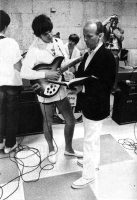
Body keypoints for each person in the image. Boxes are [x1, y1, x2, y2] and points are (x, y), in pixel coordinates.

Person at [20, 14, 83, 164]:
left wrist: (70, 67)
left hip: (60, 88)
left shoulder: (59, 42)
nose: (49, 35)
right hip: (44, 90)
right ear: (37, 34)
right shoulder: (34, 49)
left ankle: (69, 149)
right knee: (48, 122)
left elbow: (63, 62)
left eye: (50, 31)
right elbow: (24, 72)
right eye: (45, 33)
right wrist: (45, 73)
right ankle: (51, 149)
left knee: (71, 120)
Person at [71, 20, 116, 189]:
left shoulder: (107, 57)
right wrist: (73, 77)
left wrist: (81, 87)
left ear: (100, 36)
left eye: (89, 36)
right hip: (89, 103)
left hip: (97, 105)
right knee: (92, 137)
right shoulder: (90, 53)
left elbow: (106, 85)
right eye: (84, 36)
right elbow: (84, 73)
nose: (85, 39)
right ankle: (93, 164)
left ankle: (88, 176)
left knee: (90, 141)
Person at [0, 10, 22, 154]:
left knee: (0, 115)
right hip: (12, 85)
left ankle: (0, 142)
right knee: (11, 115)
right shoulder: (11, 43)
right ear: (6, 26)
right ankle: (10, 145)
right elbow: (18, 66)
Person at [103, 14, 124, 91]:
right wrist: (108, 19)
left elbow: (121, 38)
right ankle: (106, 86)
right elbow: (101, 26)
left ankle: (114, 87)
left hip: (115, 51)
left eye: (116, 20)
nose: (114, 22)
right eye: (112, 20)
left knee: (115, 71)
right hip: (107, 51)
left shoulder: (118, 30)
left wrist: (115, 30)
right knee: (105, 70)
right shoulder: (107, 29)